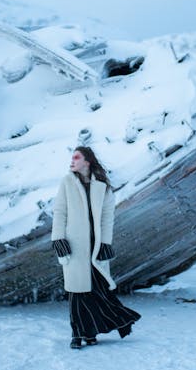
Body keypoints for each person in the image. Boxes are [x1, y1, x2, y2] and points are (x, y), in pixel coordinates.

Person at [51, 145, 141, 349]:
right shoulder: (66, 183)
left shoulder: (103, 186)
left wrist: (106, 243)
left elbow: (108, 218)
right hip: (74, 246)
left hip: (95, 247)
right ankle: (77, 334)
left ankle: (90, 333)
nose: (72, 161)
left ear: (87, 161)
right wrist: (58, 239)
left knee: (97, 290)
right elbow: (59, 212)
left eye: (76, 157)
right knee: (76, 292)